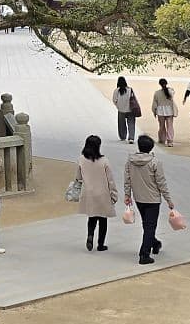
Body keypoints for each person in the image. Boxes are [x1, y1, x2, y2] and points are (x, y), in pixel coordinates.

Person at [123, 135, 175, 265]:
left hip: (139, 198)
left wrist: (127, 195)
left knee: (147, 224)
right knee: (150, 225)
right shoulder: (155, 162)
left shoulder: (130, 161)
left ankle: (154, 243)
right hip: (152, 199)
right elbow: (161, 183)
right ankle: (144, 254)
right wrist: (168, 199)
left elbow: (127, 180)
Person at [74, 134, 117, 251]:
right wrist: (114, 194)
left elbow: (78, 177)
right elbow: (110, 180)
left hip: (88, 193)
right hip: (103, 193)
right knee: (103, 220)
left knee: (92, 218)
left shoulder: (81, 160)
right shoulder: (104, 161)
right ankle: (101, 244)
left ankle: (90, 236)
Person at [112, 76, 139, 143]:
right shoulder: (130, 89)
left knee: (121, 123)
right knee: (131, 123)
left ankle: (123, 136)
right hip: (130, 109)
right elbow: (133, 99)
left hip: (121, 110)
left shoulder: (116, 90)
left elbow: (114, 100)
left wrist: (118, 106)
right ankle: (131, 138)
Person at [150, 77, 177, 146]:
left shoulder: (157, 93)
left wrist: (154, 111)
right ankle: (170, 141)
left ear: (160, 84)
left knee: (161, 126)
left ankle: (162, 139)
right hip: (169, 111)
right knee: (170, 126)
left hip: (160, 111)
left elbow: (154, 104)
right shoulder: (170, 91)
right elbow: (173, 93)